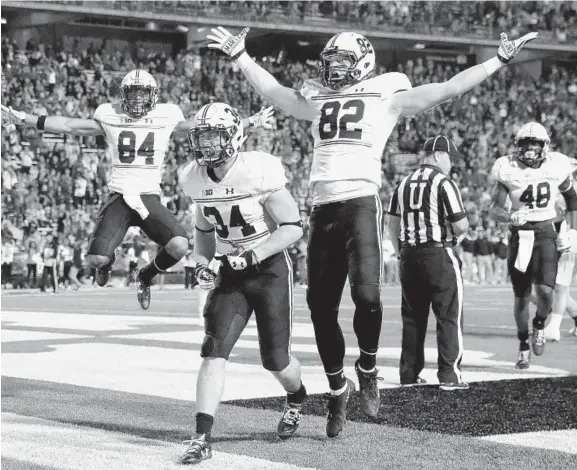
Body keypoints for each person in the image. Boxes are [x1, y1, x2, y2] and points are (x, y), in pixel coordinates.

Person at [206, 25, 537, 434]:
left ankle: (366, 365)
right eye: (329, 61)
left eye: (342, 60)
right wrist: (241, 56)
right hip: (321, 208)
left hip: (362, 203)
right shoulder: (319, 97)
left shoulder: (386, 94)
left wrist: (498, 59)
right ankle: (335, 389)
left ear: (362, 62)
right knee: (320, 308)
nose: (333, 68)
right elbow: (274, 92)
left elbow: (449, 88)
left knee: (368, 295)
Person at [2, 70, 273, 310]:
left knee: (180, 246)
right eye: (132, 94)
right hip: (119, 196)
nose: (137, 100)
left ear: (153, 95)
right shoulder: (109, 115)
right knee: (96, 259)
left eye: (143, 94)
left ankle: (145, 275)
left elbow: (207, 127)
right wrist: (24, 118)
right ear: (123, 95)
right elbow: (70, 124)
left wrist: (251, 121)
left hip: (148, 197)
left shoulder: (167, 116)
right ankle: (108, 262)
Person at [178, 102, 307, 464]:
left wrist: (252, 255)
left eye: (214, 137)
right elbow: (204, 230)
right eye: (201, 137)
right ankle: (201, 437)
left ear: (234, 136)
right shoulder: (193, 177)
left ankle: (297, 397)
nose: (206, 146)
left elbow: (293, 227)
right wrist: (202, 263)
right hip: (230, 274)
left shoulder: (258, 169)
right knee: (213, 349)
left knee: (276, 361)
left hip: (268, 271)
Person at [489, 122, 577, 369]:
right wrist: (510, 217)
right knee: (521, 296)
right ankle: (522, 344)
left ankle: (539, 324)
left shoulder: (556, 165)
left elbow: (572, 198)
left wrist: (572, 230)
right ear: (517, 145)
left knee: (547, 291)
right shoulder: (507, 168)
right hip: (520, 235)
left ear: (544, 146)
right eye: (525, 143)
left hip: (546, 232)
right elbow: (494, 209)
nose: (529, 148)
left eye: (534, 143)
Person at [387, 136, 470, 390]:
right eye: (449, 158)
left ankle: (409, 374)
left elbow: (392, 222)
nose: (451, 164)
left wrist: (400, 251)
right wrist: (456, 238)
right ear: (436, 154)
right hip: (438, 253)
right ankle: (449, 374)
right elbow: (461, 223)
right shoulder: (443, 183)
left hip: (409, 254)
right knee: (449, 315)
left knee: (413, 317)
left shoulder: (403, 183)